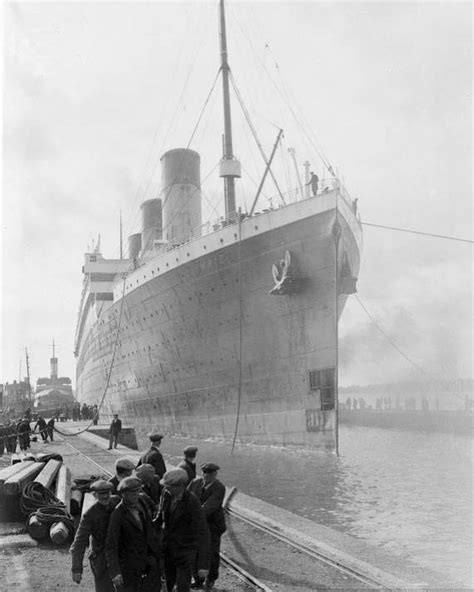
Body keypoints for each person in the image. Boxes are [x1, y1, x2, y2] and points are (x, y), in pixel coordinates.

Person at [155, 468, 209, 592]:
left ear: (180, 486)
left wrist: (203, 565)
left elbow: (203, 532)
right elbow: (160, 517)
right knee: (169, 584)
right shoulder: (166, 493)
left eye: (169, 486)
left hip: (185, 552)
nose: (166, 488)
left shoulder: (192, 502)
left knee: (182, 587)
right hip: (168, 550)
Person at [105, 476, 161, 592]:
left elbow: (149, 530)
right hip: (129, 567)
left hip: (149, 562)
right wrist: (115, 572)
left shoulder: (142, 503)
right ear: (123, 494)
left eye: (137, 491)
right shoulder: (117, 515)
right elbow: (111, 545)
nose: (136, 495)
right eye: (132, 493)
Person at [70, 480, 119, 592]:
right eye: (101, 494)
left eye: (107, 492)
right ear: (94, 495)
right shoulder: (89, 515)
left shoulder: (116, 502)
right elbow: (79, 542)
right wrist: (76, 569)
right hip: (100, 557)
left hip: (117, 554)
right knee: (104, 588)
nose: (105, 496)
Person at [188, 463, 226, 590]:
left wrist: (191, 516)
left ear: (214, 475)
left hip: (212, 526)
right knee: (195, 552)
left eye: (209, 474)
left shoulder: (219, 488)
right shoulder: (195, 483)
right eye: (204, 473)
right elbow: (187, 498)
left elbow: (208, 507)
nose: (205, 476)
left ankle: (211, 578)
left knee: (212, 553)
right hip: (197, 525)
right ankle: (198, 579)